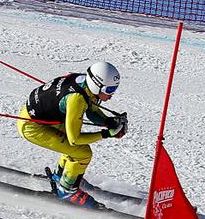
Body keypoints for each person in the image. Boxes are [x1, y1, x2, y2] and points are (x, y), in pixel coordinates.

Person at [17, 61, 127, 207]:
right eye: (110, 89)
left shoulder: (84, 83)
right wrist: (106, 134)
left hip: (47, 118)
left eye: (114, 89)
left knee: (72, 148)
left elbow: (91, 109)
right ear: (96, 84)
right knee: (82, 152)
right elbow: (75, 140)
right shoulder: (77, 99)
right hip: (32, 126)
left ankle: (62, 176)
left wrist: (108, 121)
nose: (111, 94)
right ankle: (66, 190)